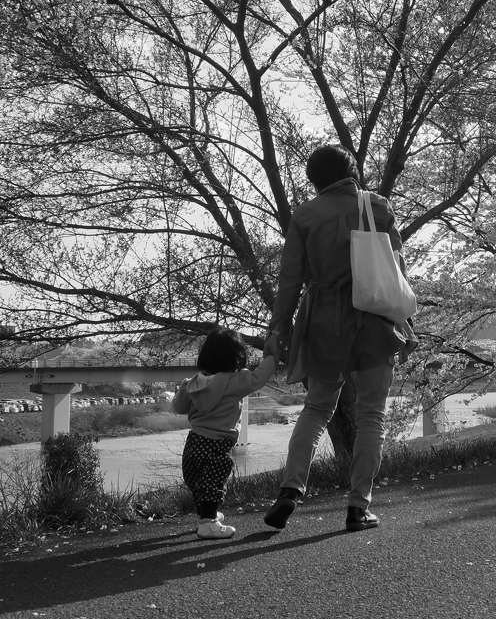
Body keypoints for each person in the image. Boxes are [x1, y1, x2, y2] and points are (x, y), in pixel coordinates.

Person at [264, 145, 415, 533]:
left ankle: (290, 490)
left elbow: (290, 281)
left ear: (314, 181)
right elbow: (395, 268)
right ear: (352, 171)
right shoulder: (378, 207)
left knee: (316, 409)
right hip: (373, 322)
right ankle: (357, 507)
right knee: (370, 418)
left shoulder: (305, 215)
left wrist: (278, 329)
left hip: (323, 321)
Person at [172, 327, 278, 539]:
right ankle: (208, 523)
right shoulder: (234, 382)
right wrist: (272, 356)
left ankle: (206, 516)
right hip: (217, 444)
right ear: (236, 357)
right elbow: (260, 378)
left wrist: (183, 391)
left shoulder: (192, 383)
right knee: (213, 482)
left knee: (199, 482)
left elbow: (178, 408)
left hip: (193, 443)